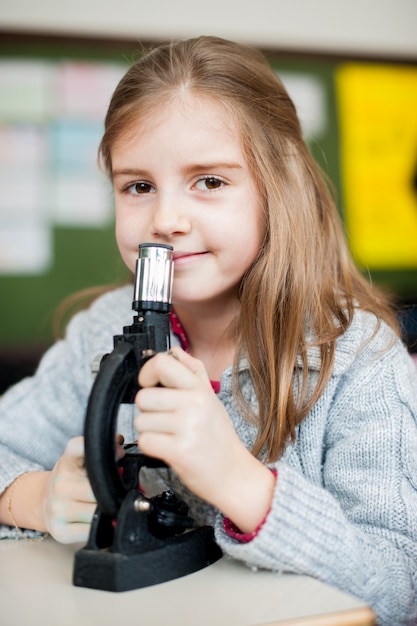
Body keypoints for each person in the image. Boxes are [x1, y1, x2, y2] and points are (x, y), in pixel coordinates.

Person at [0, 36, 416, 625]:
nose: (166, 220)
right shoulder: (100, 334)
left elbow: (403, 588)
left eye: (210, 182)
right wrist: (35, 497)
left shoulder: (359, 358)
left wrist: (242, 484)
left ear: (278, 189)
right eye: (138, 186)